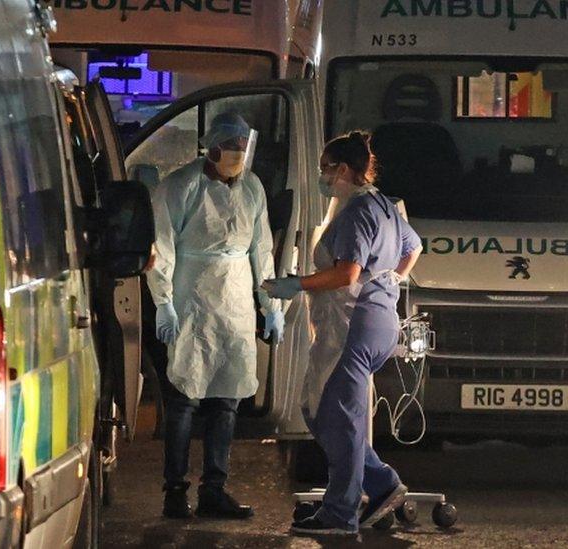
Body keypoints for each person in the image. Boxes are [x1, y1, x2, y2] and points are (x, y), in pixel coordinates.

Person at [264, 131, 423, 536]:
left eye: (325, 169)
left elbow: (347, 273)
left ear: (345, 170)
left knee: (337, 420)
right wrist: (388, 281)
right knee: (325, 414)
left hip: (353, 327)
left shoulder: (355, 213)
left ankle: (341, 515)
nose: (322, 176)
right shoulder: (383, 206)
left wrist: (296, 284)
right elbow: (414, 246)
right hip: (377, 321)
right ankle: (381, 486)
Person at [148, 112, 285, 520]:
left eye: (244, 147)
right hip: (192, 295)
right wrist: (164, 300)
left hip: (237, 298)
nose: (239, 154)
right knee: (185, 397)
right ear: (213, 147)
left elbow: (261, 249)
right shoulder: (181, 186)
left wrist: (270, 305)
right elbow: (163, 245)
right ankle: (175, 490)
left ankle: (214, 489)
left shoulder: (252, 188)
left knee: (228, 397)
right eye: (233, 147)